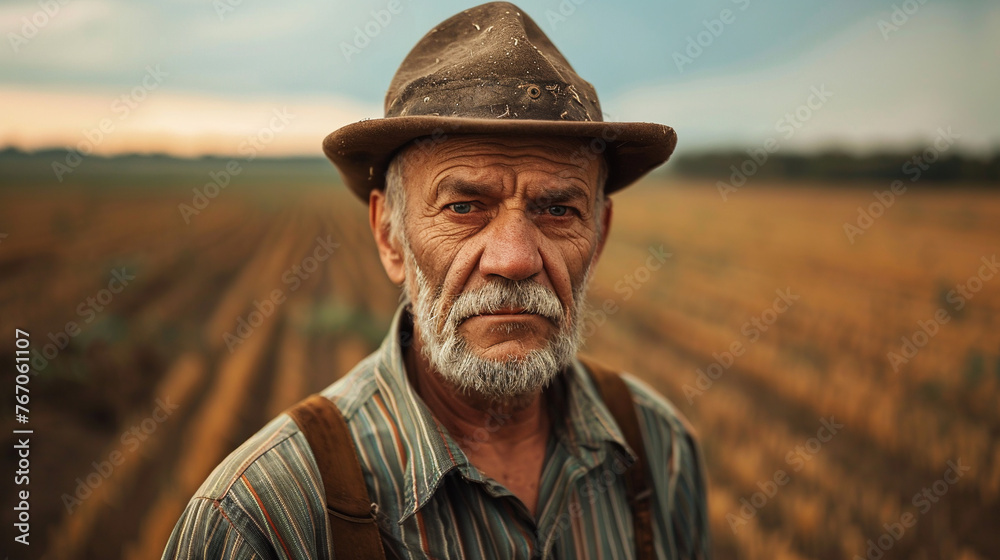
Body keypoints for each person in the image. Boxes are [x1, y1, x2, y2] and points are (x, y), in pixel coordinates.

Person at [162, 2, 710, 558]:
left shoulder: (659, 452)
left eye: (558, 210)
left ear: (599, 239)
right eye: (465, 206)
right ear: (388, 235)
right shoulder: (260, 519)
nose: (515, 259)